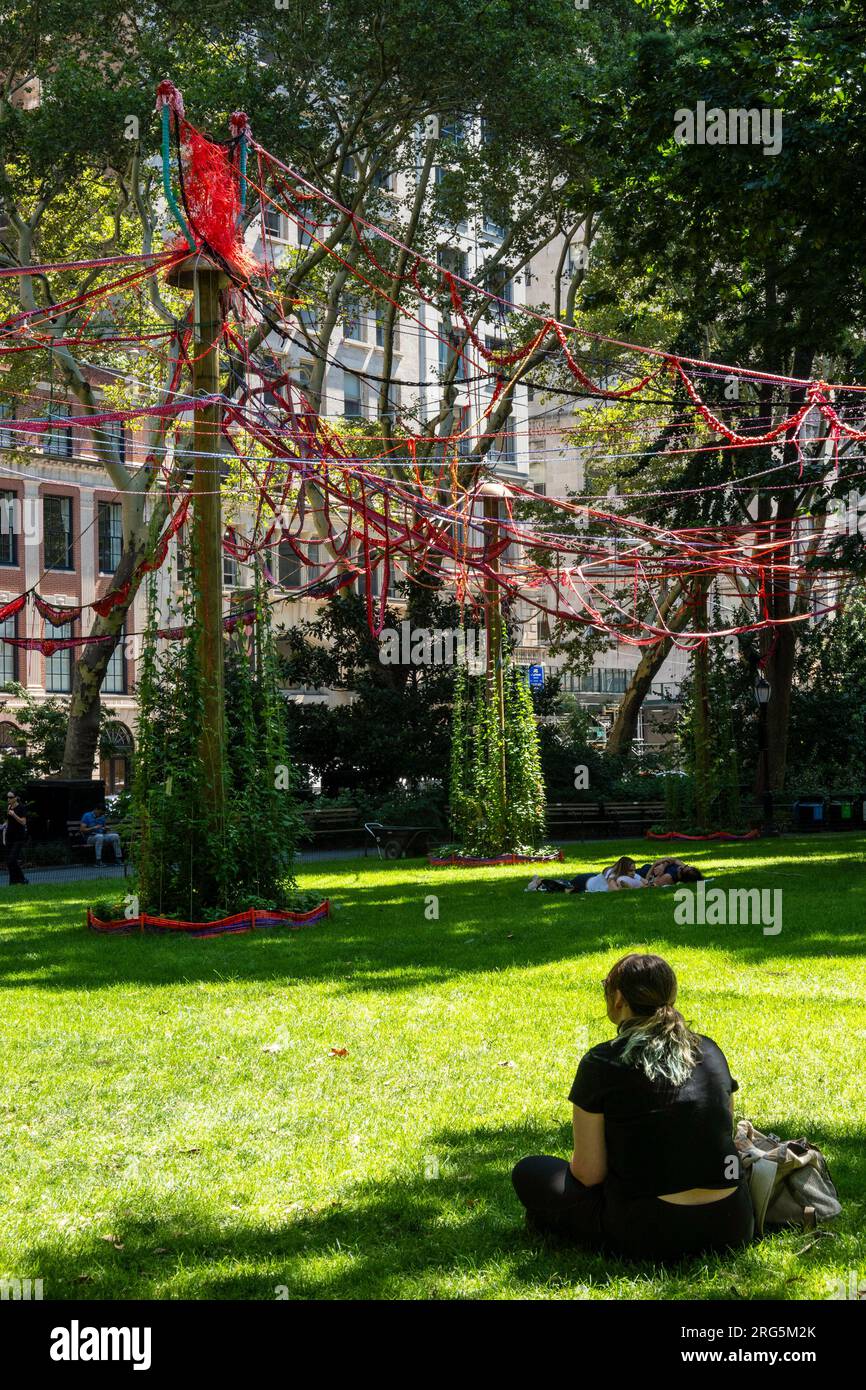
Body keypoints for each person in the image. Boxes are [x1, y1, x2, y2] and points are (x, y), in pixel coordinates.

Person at [512, 952, 754, 1262]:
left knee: (530, 1171)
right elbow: (720, 1132)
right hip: (731, 1223)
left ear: (618, 1000)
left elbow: (589, 1174)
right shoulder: (710, 1050)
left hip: (648, 1231)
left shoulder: (602, 1061)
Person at [526, 856, 648, 894]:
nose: (633, 873)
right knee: (562, 886)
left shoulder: (629, 875)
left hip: (592, 877)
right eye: (631, 871)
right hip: (585, 882)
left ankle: (540, 882)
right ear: (623, 870)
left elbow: (647, 883)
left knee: (563, 884)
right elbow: (613, 889)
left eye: (634, 870)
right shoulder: (610, 872)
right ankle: (538, 882)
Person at [4, 791, 29, 885]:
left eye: (10, 797)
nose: (8, 799)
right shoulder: (9, 807)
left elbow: (23, 822)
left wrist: (14, 815)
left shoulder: (21, 808)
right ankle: (12, 882)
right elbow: (8, 821)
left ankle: (22, 879)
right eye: (8, 797)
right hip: (9, 837)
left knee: (12, 859)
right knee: (9, 861)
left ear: (16, 798)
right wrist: (3, 825)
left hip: (18, 838)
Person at [636, 857, 704, 887]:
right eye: (687, 866)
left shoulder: (668, 877)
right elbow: (673, 859)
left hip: (640, 874)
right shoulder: (683, 867)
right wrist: (663, 866)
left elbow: (647, 882)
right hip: (644, 868)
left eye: (683, 868)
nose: (683, 866)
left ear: (682, 876)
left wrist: (655, 864)